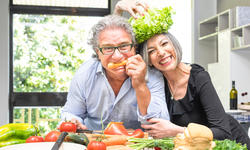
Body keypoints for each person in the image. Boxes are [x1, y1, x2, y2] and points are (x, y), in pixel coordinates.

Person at [114, 1, 250, 148]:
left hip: (230, 144)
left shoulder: (198, 77)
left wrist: (176, 131)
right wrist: (118, 9)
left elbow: (223, 133)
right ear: (149, 61)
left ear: (174, 45)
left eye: (164, 44)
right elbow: (117, 50)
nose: (160, 52)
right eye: (151, 51)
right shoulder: (157, 82)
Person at [60, 14, 169, 130]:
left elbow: (159, 126)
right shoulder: (85, 73)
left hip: (134, 144)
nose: (117, 56)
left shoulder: (152, 75)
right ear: (98, 52)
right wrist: (74, 121)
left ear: (134, 47)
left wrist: (141, 85)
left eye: (124, 46)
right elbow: (72, 113)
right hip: (95, 142)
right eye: (108, 48)